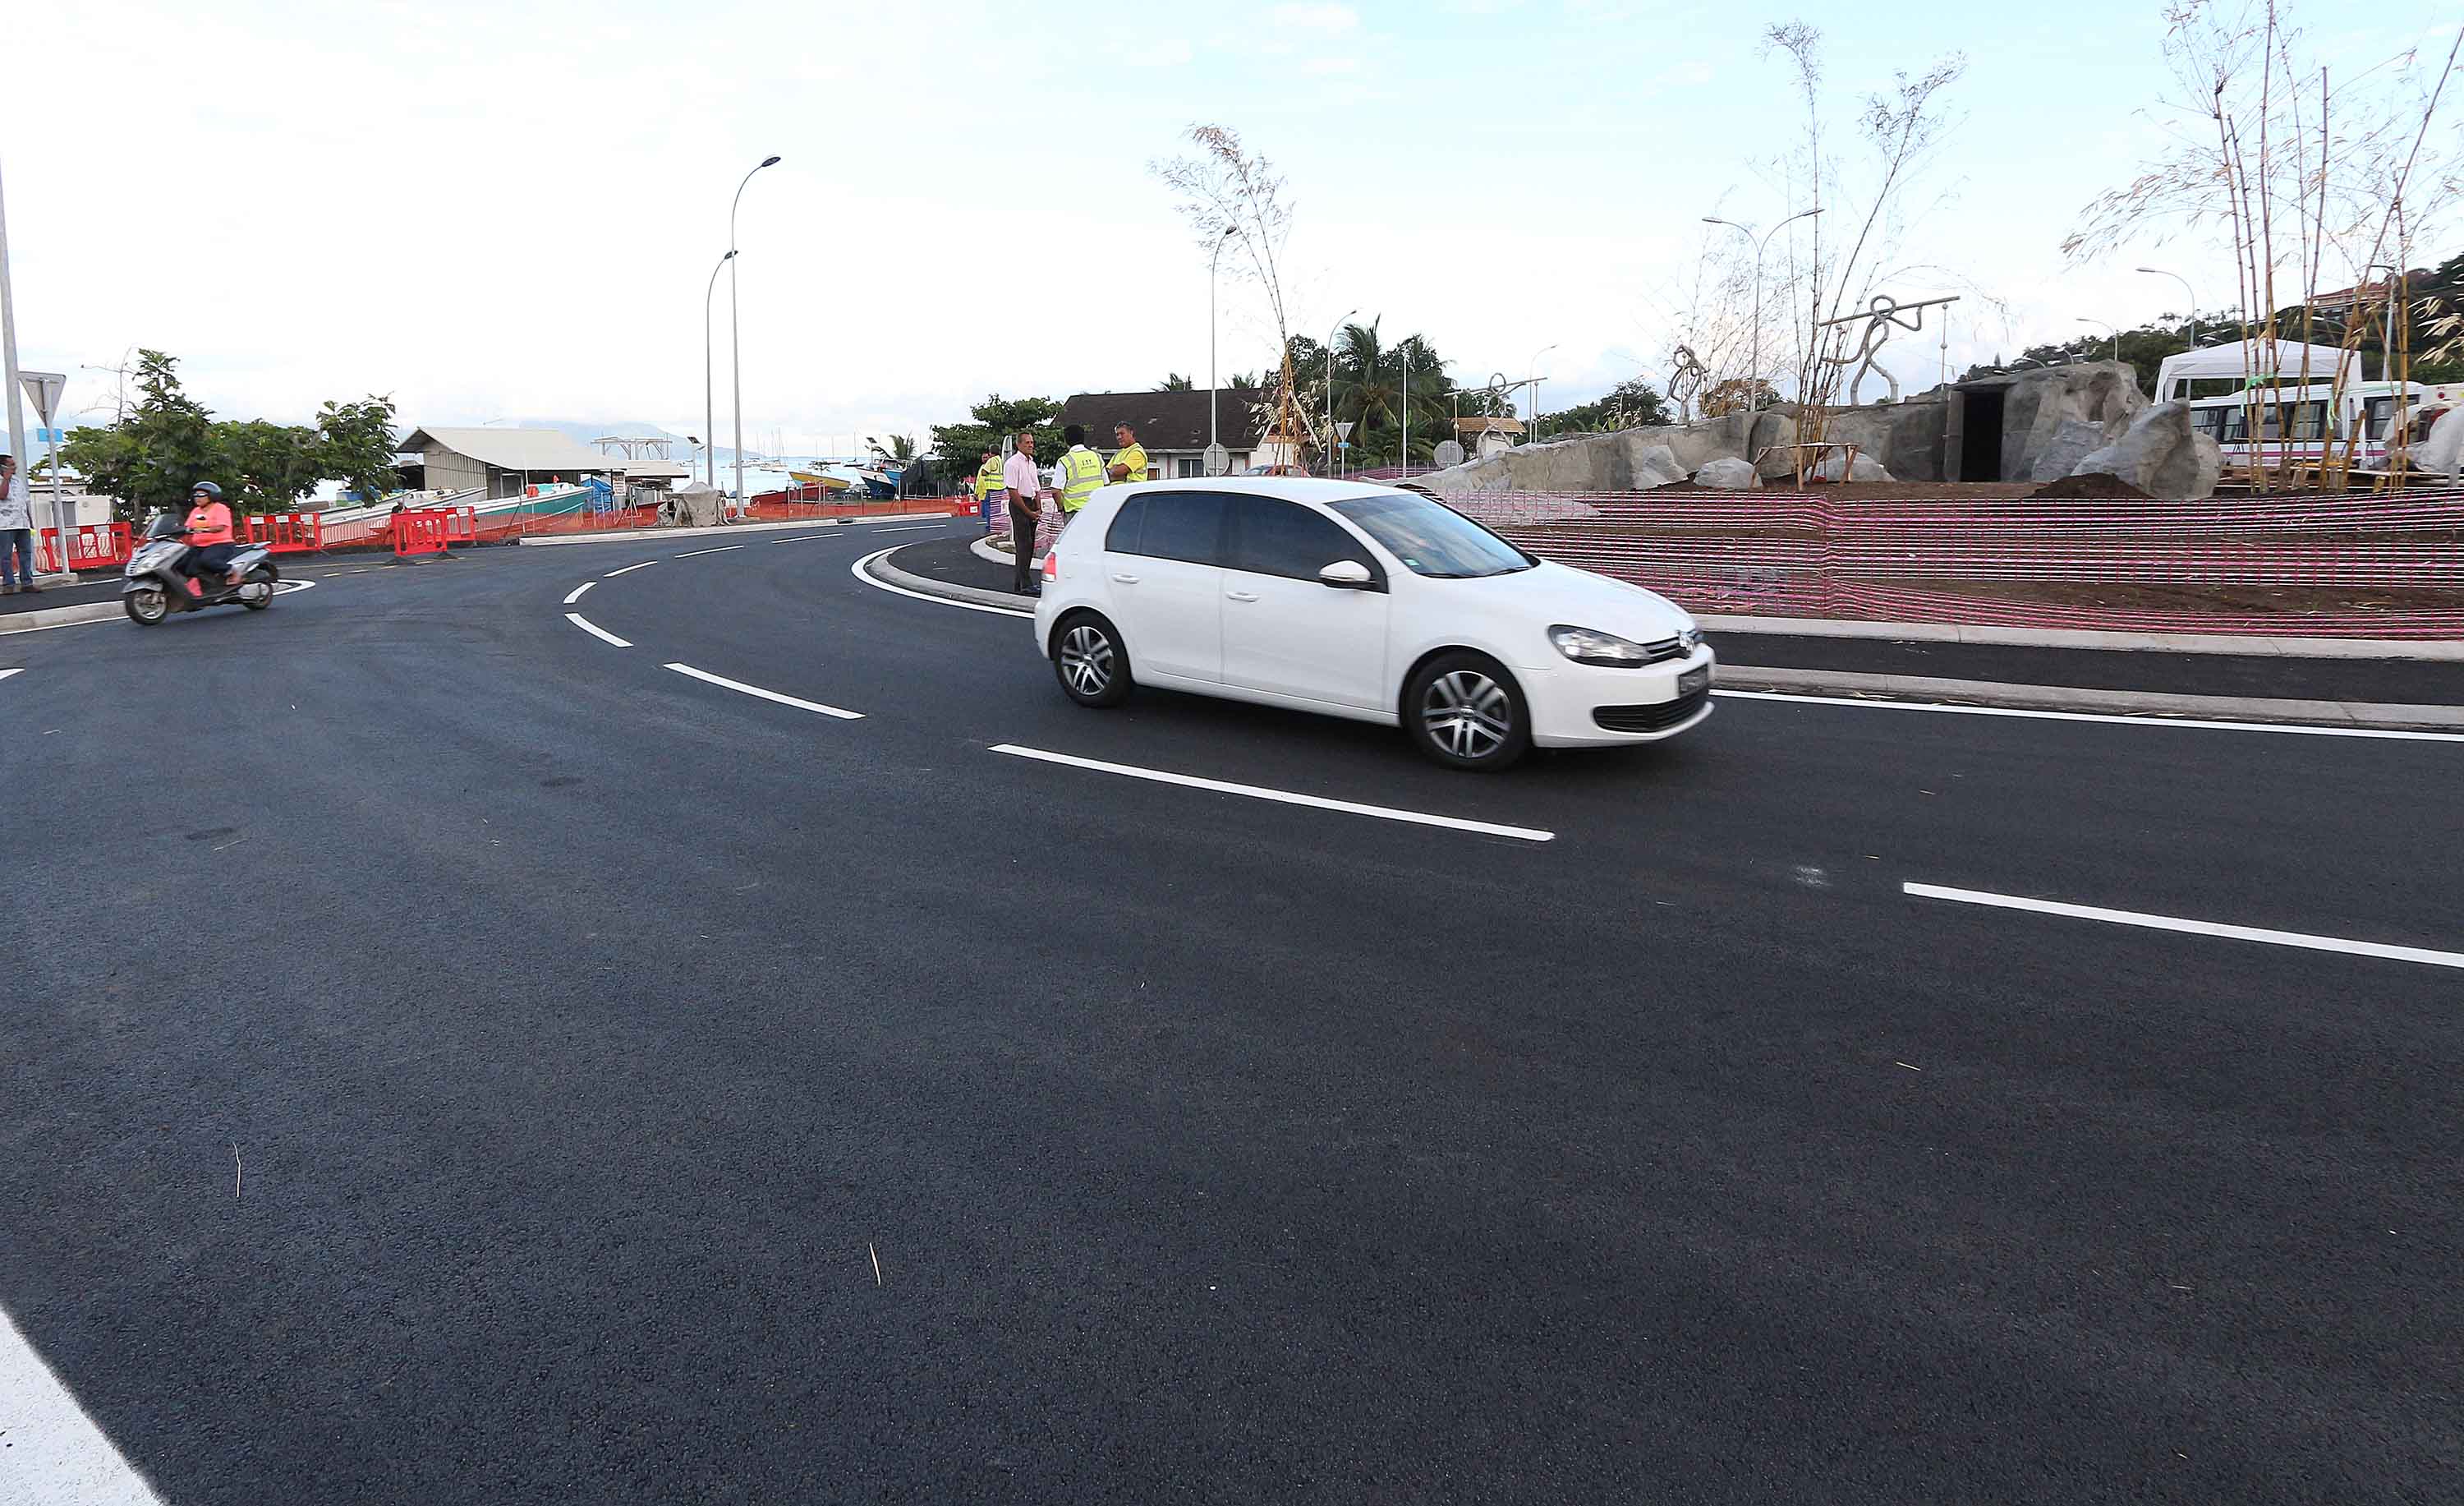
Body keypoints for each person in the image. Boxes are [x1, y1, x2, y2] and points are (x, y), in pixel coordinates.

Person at [179, 481, 241, 596]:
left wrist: (204, 530)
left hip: (221, 544)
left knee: (208, 560)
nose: (197, 498)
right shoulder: (196, 511)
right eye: (195, 495)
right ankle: (208, 586)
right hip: (199, 546)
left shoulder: (220, 508)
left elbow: (221, 527)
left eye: (201, 495)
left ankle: (232, 571)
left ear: (212, 495)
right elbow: (187, 526)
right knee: (183, 565)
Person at [1001, 433, 1045, 595]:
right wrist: (1028, 512)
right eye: (1027, 442)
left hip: (1032, 503)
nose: (1031, 445)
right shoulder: (1012, 464)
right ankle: (1025, 584)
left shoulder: (1031, 463)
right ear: (1018, 445)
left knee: (1030, 545)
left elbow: (1036, 487)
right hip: (1020, 505)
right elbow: (1013, 491)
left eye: (1032, 442)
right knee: (1023, 545)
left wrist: (1038, 508)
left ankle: (1020, 583)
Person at [1055, 424, 1106, 528]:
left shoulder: (1065, 461)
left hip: (1075, 512)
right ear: (1083, 438)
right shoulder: (1097, 457)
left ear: (1066, 441)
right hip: (1097, 510)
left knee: (1075, 544)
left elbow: (1056, 491)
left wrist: (1061, 508)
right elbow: (1106, 483)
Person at [0, 453, 34, 596]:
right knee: (5, 555)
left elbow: (25, 502)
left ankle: (27, 582)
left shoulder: (18, 481)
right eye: (11, 465)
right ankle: (9, 583)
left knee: (26, 553)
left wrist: (30, 520)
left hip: (22, 522)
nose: (15, 467)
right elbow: (2, 495)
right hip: (5, 524)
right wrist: (5, 480)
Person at [974, 447, 1006, 537]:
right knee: (996, 509)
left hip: (991, 487)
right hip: (999, 487)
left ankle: (991, 527)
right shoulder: (1000, 460)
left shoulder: (992, 461)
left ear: (991, 452)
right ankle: (997, 526)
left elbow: (984, 472)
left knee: (989, 508)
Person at [1106, 421, 1150, 486]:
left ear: (1131, 433)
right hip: (1117, 492)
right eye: (1117, 435)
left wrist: (1114, 471)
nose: (1119, 437)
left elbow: (1118, 471)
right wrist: (1116, 474)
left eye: (1122, 433)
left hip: (1131, 492)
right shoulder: (1118, 453)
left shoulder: (1137, 452)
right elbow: (1106, 474)